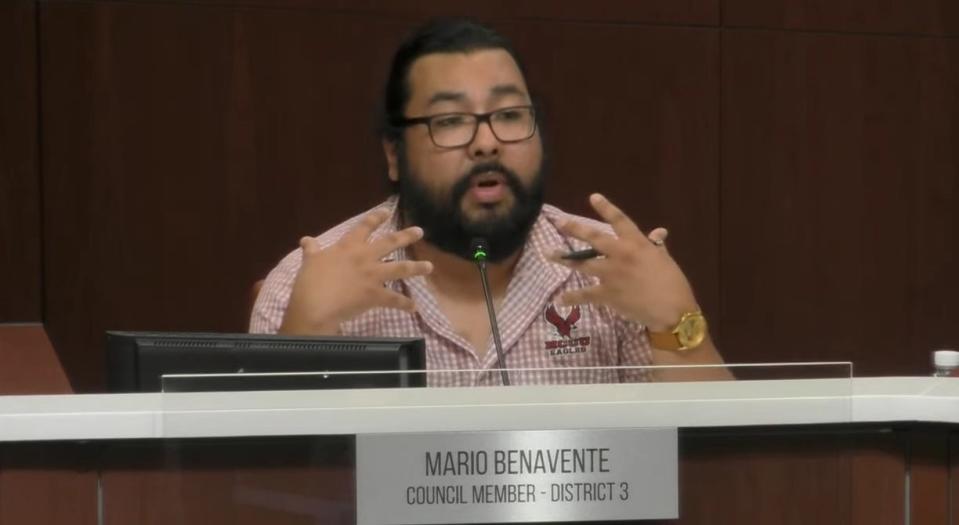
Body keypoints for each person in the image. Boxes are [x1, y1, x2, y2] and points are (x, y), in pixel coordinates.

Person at [250, 18, 729, 385]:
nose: (487, 143)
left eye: (509, 114)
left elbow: (716, 475)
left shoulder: (614, 268)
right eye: (452, 120)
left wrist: (676, 322)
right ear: (394, 154)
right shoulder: (305, 282)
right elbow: (256, 490)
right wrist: (306, 333)